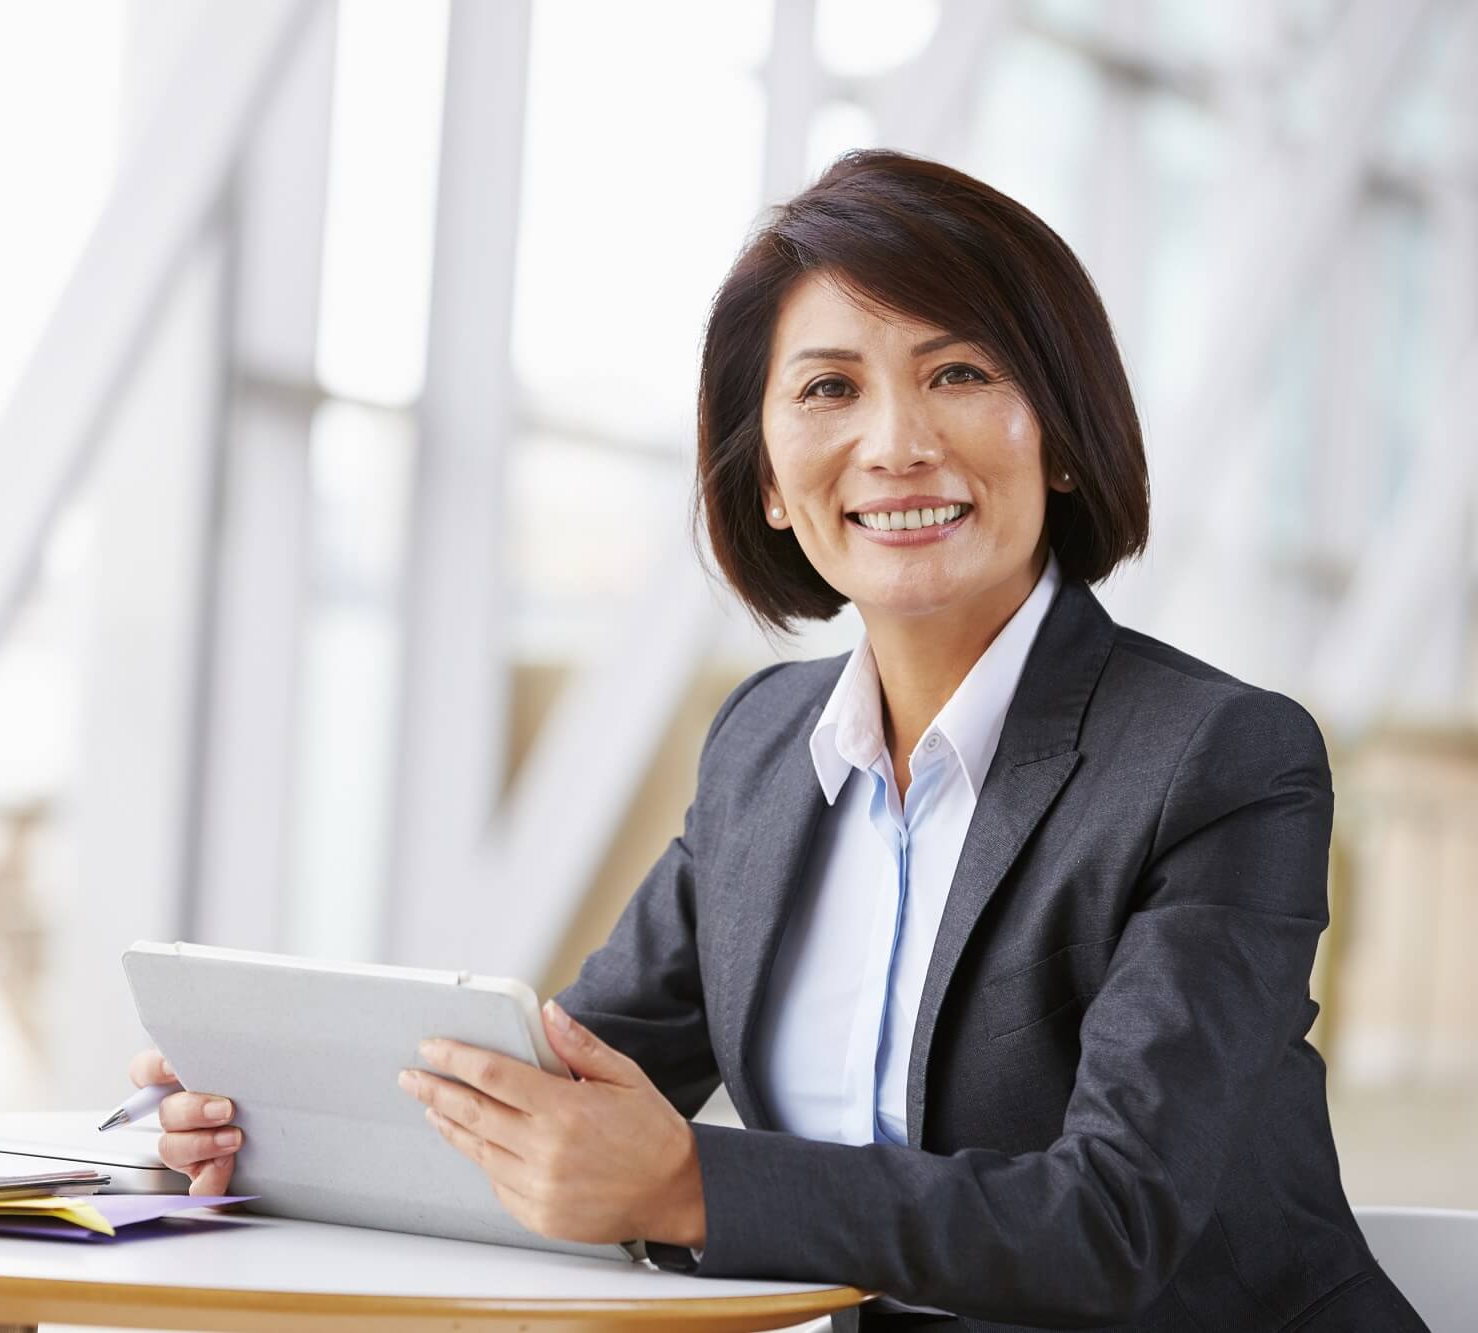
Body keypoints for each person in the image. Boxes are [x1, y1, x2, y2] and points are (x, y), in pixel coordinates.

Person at [128, 149, 1426, 1331]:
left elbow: (1109, 1224)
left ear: (1064, 435)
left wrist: (692, 1181)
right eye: (829, 389)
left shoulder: (1219, 763)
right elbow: (571, 1101)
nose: (898, 443)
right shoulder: (761, 751)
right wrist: (269, 1121)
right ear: (765, 474)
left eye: (960, 373)